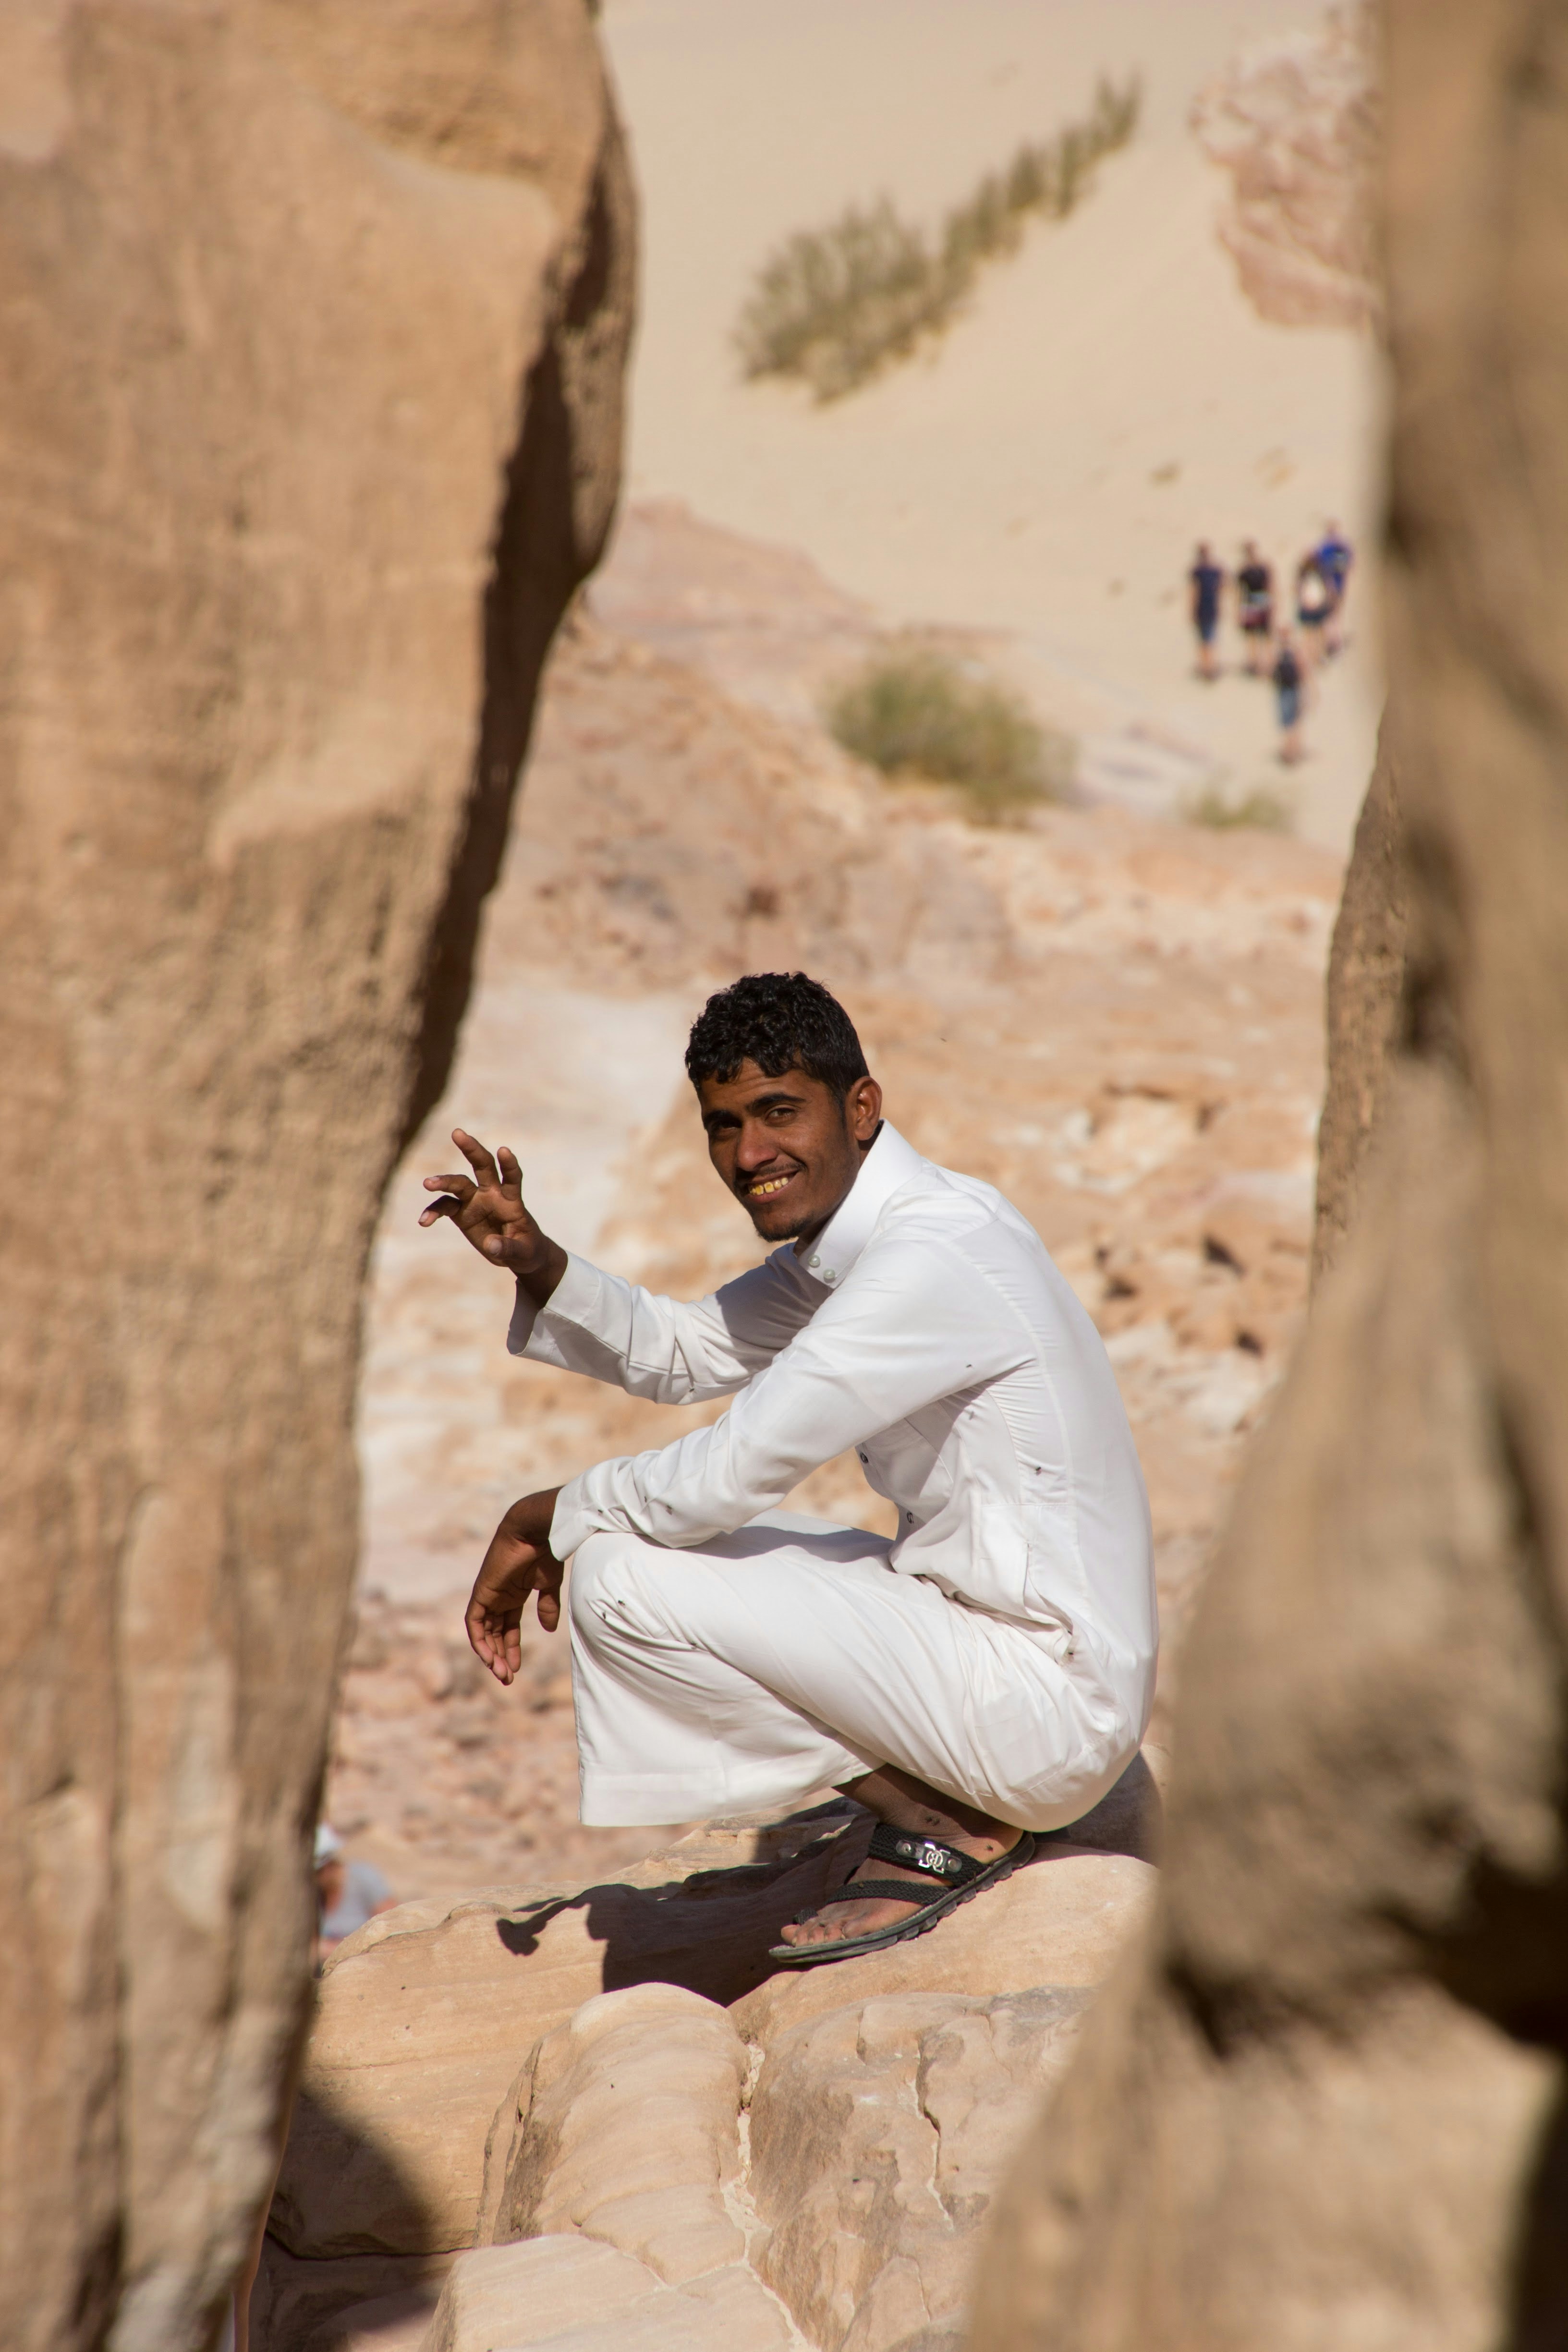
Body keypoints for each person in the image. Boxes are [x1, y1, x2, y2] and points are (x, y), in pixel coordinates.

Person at [419, 973, 1156, 1967]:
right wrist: (540, 1264)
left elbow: (729, 1473)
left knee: (615, 1571)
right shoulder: (877, 1234)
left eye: (778, 1113)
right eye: (724, 1126)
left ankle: (945, 1827)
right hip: (998, 1656)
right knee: (641, 1541)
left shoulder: (931, 1253)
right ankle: (934, 1798)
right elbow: (684, 1350)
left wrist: (545, 1515)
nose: (750, 1155)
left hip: (1046, 1709)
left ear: (862, 1107)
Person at [314, 1825, 394, 1956]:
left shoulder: (364, 1878)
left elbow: (393, 1927)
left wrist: (336, 1950)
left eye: (318, 1872)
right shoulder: (311, 1896)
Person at [1314, 518, 1354, 654]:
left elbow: (1350, 565)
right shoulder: (1328, 548)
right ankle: (1332, 641)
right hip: (1331, 585)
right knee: (1332, 613)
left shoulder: (1338, 547)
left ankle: (1334, 640)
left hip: (1337, 584)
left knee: (1334, 613)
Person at [1235, 540, 1274, 675]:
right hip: (1255, 604)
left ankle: (1263, 664)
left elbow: (1270, 587)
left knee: (1260, 635)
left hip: (1256, 604)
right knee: (1256, 636)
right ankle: (1257, 663)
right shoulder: (1249, 570)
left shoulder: (1254, 569)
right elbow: (1240, 591)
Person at [1189, 541, 1224, 679]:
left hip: (1210, 608)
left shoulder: (1213, 571)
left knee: (1209, 638)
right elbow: (1193, 591)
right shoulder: (1198, 571)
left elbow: (1221, 589)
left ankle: (1209, 666)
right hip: (1203, 608)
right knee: (1204, 639)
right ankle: (1206, 666)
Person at [1294, 550, 1333, 664]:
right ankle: (1310, 656)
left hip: (1318, 606)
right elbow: (1298, 590)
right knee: (1309, 633)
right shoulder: (1304, 575)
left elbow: (1327, 589)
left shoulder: (1321, 574)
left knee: (1320, 632)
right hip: (1308, 606)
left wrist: (1325, 602)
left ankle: (1320, 655)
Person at [1273, 629, 1305, 764]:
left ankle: (1292, 751)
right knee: (1288, 722)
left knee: (1292, 722)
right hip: (1283, 690)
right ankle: (1290, 750)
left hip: (1292, 690)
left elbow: (1303, 670)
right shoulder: (1279, 653)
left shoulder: (1294, 653)